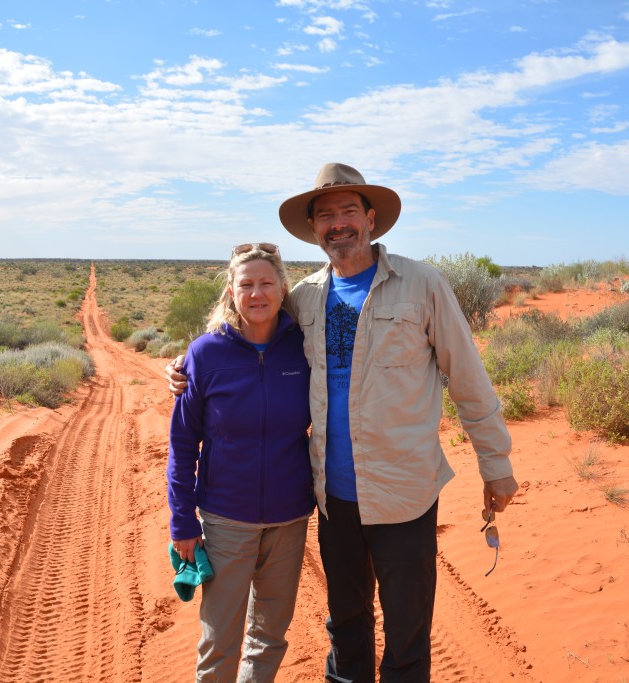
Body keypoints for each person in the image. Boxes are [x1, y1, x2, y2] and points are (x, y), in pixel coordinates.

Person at [169, 163, 519, 683]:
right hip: (335, 499)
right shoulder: (304, 298)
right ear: (314, 230)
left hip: (405, 492)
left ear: (371, 219)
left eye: (349, 211)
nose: (338, 224)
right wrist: (183, 367)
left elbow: (468, 379)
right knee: (348, 626)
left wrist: (496, 462)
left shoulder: (421, 285)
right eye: (326, 215)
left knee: (407, 632)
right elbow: (247, 328)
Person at [168, 242, 315, 683]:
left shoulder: (303, 349)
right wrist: (182, 523)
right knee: (220, 640)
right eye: (246, 284)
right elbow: (182, 443)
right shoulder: (205, 354)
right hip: (226, 517)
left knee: (270, 634)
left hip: (290, 517)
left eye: (266, 283)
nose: (257, 293)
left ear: (283, 288)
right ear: (230, 291)